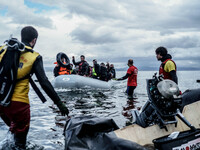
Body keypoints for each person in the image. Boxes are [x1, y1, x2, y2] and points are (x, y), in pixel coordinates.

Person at [0, 26, 69, 149]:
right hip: (19, 105)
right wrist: (59, 104)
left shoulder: (3, 50)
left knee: (12, 130)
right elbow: (44, 83)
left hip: (1, 102)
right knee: (20, 144)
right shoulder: (34, 56)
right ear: (34, 40)